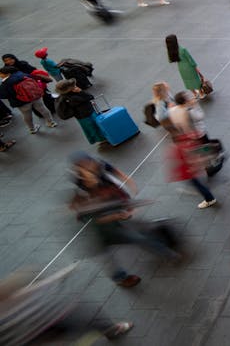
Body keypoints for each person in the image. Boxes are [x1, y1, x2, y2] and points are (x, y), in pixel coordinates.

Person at [68, 152, 179, 288]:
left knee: (138, 237)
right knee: (112, 253)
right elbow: (95, 219)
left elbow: (112, 200)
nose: (93, 175)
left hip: (112, 222)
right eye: (88, 175)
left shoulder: (100, 181)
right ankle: (121, 278)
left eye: (93, 171)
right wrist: (118, 215)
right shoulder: (84, 196)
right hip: (99, 232)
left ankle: (167, 253)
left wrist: (128, 205)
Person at [167, 91, 218, 209]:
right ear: (185, 102)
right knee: (204, 151)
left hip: (185, 138)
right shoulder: (189, 111)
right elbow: (201, 116)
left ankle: (204, 165)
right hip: (198, 135)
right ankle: (208, 165)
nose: (191, 98)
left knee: (195, 155)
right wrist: (195, 105)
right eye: (189, 98)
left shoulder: (173, 110)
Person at [0, 66, 56, 134]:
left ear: (7, 74)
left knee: (26, 115)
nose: (0, 75)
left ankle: (32, 129)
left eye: (1, 73)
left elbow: (3, 95)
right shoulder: (24, 75)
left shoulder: (6, 83)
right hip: (35, 96)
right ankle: (51, 122)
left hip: (21, 102)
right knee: (43, 109)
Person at [55, 78, 106, 145]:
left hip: (81, 116)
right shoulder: (73, 97)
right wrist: (81, 92)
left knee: (89, 128)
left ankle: (97, 139)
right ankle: (101, 139)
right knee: (93, 127)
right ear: (69, 89)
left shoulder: (64, 97)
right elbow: (90, 97)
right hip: (86, 114)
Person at [166, 34, 204, 100]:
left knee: (187, 81)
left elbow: (170, 60)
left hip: (181, 68)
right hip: (189, 67)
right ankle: (201, 94)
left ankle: (195, 94)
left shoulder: (170, 51)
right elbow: (190, 59)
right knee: (195, 79)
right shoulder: (183, 49)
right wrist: (196, 68)